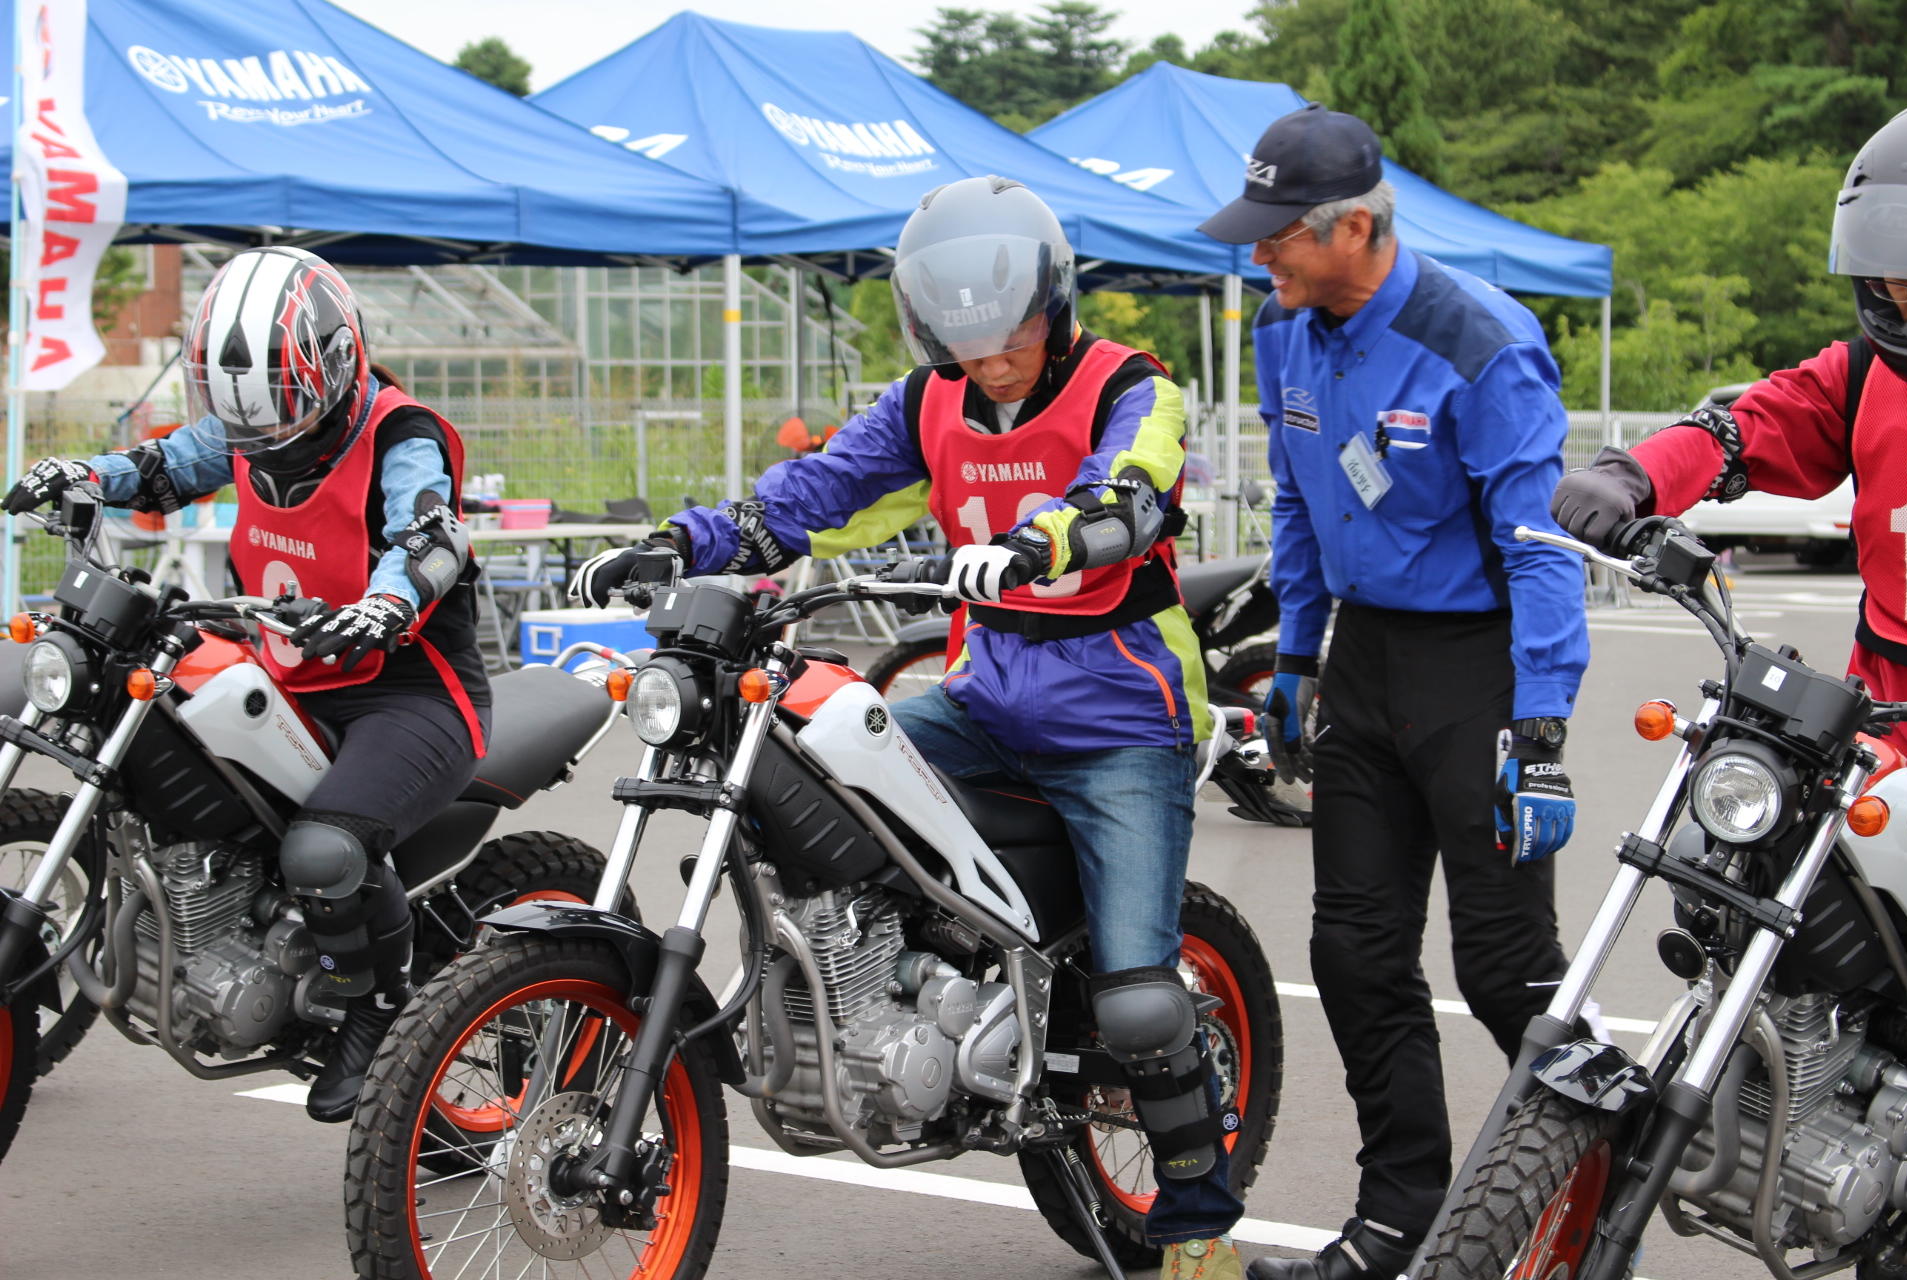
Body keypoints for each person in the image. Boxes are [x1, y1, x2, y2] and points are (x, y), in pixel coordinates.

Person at [577, 175, 1246, 1279]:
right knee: (816, 766)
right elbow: (809, 493)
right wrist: (682, 541)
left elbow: (1133, 491)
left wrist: (1048, 543)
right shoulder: (924, 401)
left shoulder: (1134, 383)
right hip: (983, 699)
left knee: (1135, 995)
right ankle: (899, 997)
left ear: (1055, 300)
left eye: (1012, 333)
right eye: (964, 342)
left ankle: (1197, 1224)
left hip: (1123, 714)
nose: (991, 361)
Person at [1197, 104, 1590, 1280]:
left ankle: (1591, 1177)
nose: (1259, 254)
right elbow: (1300, 501)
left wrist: (1544, 727)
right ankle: (1396, 1220)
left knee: (1505, 969)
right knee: (1359, 956)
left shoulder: (1481, 341)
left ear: (1356, 225)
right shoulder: (1286, 331)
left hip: (1477, 670)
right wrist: (1300, 654)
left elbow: (1538, 549)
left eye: (1280, 236)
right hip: (1363, 664)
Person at [4, 245, 489, 1123]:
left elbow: (430, 533)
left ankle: (374, 1011)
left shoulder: (400, 434)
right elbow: (158, 467)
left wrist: (385, 604)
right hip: (290, 670)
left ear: (335, 366)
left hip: (408, 689)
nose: (259, 442)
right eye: (242, 423)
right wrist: (81, 475)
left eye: (280, 417)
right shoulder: (246, 429)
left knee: (324, 850)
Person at [1554, 105, 1907, 762]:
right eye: (1901, 283)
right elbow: (1742, 431)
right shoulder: (1863, 374)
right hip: (1882, 721)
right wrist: (1635, 477)